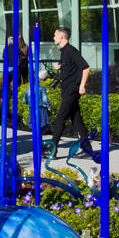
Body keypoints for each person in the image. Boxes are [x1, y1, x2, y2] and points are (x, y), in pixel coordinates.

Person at [47, 27, 94, 159]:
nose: (53, 37)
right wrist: (61, 67)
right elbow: (72, 67)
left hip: (72, 90)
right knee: (76, 120)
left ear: (62, 37)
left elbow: (86, 67)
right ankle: (87, 149)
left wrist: (82, 86)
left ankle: (53, 149)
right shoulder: (64, 51)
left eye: (55, 35)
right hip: (67, 89)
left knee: (60, 118)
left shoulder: (71, 50)